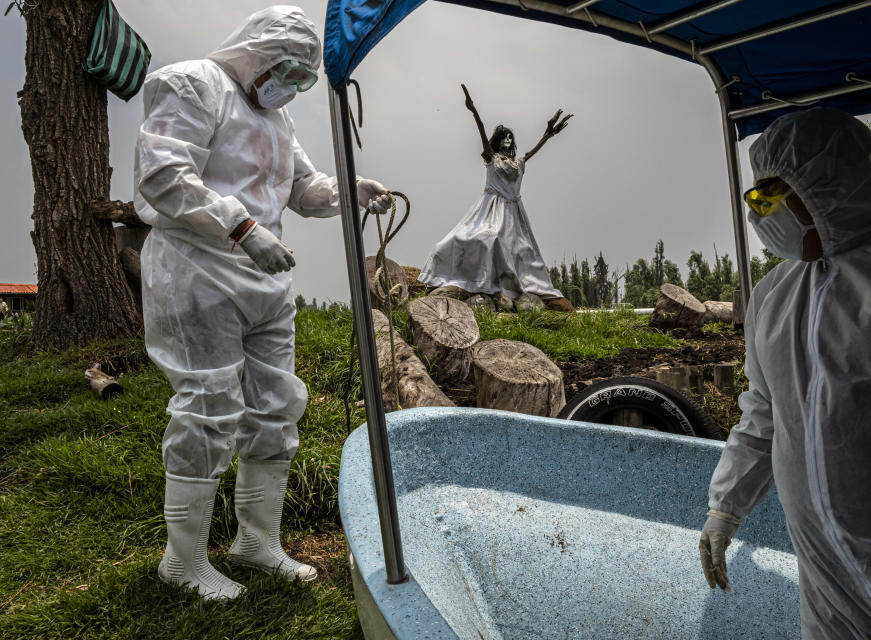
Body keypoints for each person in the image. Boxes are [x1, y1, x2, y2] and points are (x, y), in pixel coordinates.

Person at [134, 6, 392, 601]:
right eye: (287, 70)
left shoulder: (278, 117)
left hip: (267, 276)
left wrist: (348, 190)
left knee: (275, 404)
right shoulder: (194, 84)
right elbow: (163, 175)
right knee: (209, 404)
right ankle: (183, 561)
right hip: (202, 271)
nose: (292, 85)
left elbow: (300, 187)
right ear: (256, 51)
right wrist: (242, 226)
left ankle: (257, 541)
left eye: (304, 77)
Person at [698, 107, 871, 639]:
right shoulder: (774, 294)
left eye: (770, 196)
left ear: (829, 181)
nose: (760, 215)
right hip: (826, 573)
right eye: (756, 199)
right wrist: (725, 507)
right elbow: (764, 414)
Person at [418, 84, 575, 311]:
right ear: (498, 140)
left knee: (522, 249)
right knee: (484, 238)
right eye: (504, 137)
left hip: (514, 210)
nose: (508, 140)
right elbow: (482, 135)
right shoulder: (492, 158)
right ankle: (474, 283)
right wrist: (474, 112)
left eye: (510, 137)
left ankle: (518, 291)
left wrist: (549, 134)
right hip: (490, 208)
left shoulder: (518, 162)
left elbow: (533, 151)